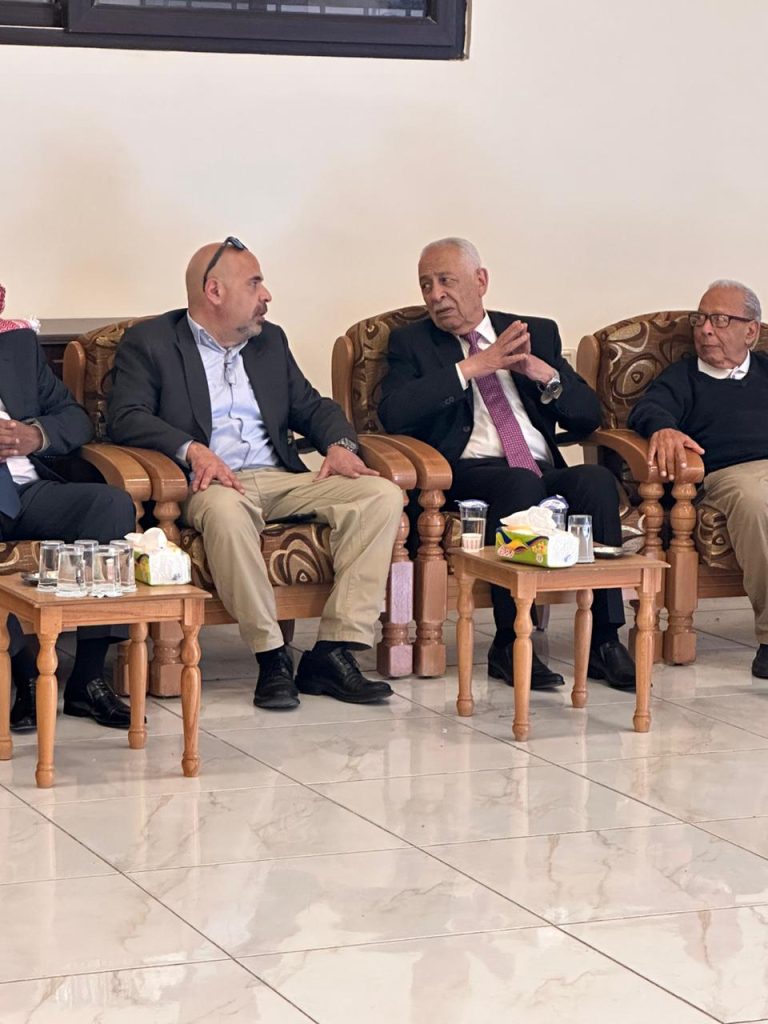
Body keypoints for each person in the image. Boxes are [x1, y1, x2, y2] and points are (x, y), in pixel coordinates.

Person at [107, 237, 403, 710]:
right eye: (255, 283)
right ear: (215, 291)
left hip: (279, 476)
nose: (266, 295)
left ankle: (333, 651)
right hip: (209, 483)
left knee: (380, 495)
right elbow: (126, 417)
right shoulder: (152, 342)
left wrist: (340, 445)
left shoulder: (270, 342)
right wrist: (193, 450)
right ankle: (271, 657)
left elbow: (312, 406)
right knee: (227, 513)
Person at [379, 237, 635, 690]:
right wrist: (473, 367)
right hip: (465, 474)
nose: (436, 295)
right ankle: (510, 641)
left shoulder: (535, 333)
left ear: (480, 280)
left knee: (595, 480)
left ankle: (603, 640)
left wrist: (543, 374)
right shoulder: (410, 343)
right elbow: (394, 413)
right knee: (518, 485)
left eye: (446, 281)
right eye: (426, 285)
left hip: (537, 466)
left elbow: (587, 416)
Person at [0, 303, 136, 732]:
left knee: (111, 506)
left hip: (30, 490)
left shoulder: (16, 344)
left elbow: (74, 418)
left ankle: (88, 680)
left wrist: (34, 435)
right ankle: (25, 674)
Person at [628, 279, 768, 678]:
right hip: (727, 476)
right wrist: (664, 428)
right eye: (701, 319)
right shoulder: (684, 377)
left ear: (750, 331)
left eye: (719, 320)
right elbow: (647, 410)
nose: (705, 329)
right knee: (756, 501)